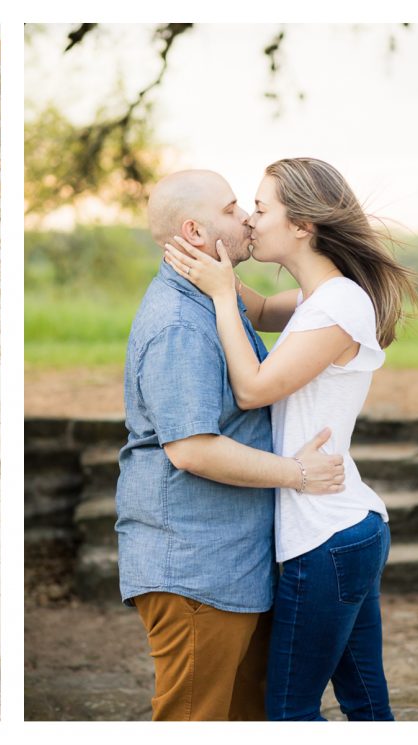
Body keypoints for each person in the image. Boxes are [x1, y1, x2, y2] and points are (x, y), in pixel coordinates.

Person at [163, 157, 418, 720]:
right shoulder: (318, 300)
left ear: (302, 226)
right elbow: (254, 309)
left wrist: (215, 294)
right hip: (339, 528)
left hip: (325, 534)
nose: (251, 220)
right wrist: (216, 270)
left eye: (261, 208)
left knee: (288, 712)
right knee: (365, 699)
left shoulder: (340, 305)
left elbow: (253, 389)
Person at [116, 169, 347, 721]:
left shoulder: (210, 296)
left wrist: (348, 289)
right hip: (194, 566)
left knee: (244, 718)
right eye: (231, 207)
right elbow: (192, 449)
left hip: (227, 560)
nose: (245, 216)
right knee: (194, 720)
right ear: (195, 230)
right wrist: (299, 473)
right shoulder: (178, 323)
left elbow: (281, 308)